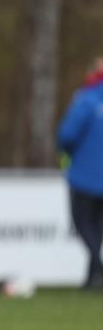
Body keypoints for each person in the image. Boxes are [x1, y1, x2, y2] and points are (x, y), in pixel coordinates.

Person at [57, 57, 103, 291]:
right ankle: (92, 276)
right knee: (97, 227)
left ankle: (97, 266)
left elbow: (67, 134)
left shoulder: (87, 98)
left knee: (84, 225)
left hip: (87, 177)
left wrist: (66, 152)